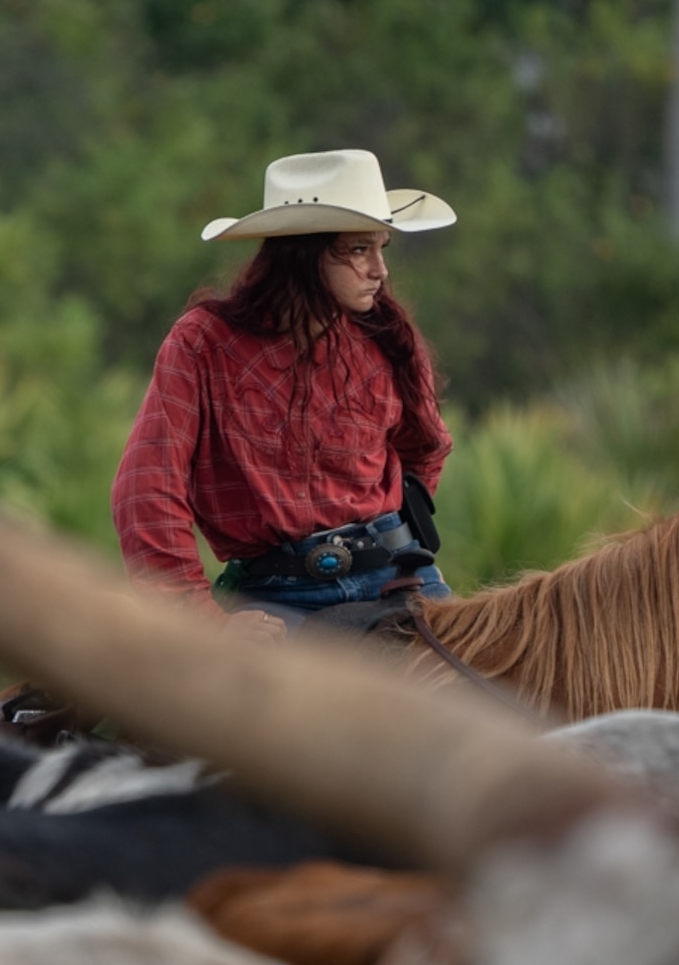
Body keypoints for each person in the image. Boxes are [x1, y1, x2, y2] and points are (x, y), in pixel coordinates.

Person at [109, 149, 457, 630]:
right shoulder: (204, 343)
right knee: (230, 704)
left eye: (382, 248)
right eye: (358, 250)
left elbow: (427, 449)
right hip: (275, 597)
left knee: (499, 695)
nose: (380, 270)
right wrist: (205, 624)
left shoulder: (387, 337)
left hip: (399, 577)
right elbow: (146, 492)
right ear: (304, 254)